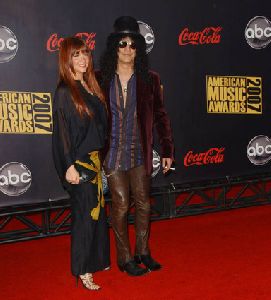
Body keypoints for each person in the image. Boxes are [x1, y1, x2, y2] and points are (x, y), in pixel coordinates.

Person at [98, 16, 174, 276]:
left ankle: (143, 251)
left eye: (133, 44)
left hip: (140, 152)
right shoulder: (100, 78)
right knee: (120, 204)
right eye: (122, 44)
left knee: (144, 203)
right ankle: (124, 257)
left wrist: (167, 150)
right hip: (113, 153)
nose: (128, 49)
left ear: (139, 48)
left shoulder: (150, 79)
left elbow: (161, 116)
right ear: (114, 47)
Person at [52, 37, 110, 290]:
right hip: (79, 165)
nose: (83, 59)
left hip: (95, 162)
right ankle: (83, 270)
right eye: (76, 55)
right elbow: (62, 133)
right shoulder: (65, 91)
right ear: (67, 59)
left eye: (85, 54)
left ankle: (95, 261)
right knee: (84, 218)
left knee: (96, 214)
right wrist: (68, 166)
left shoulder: (89, 87)